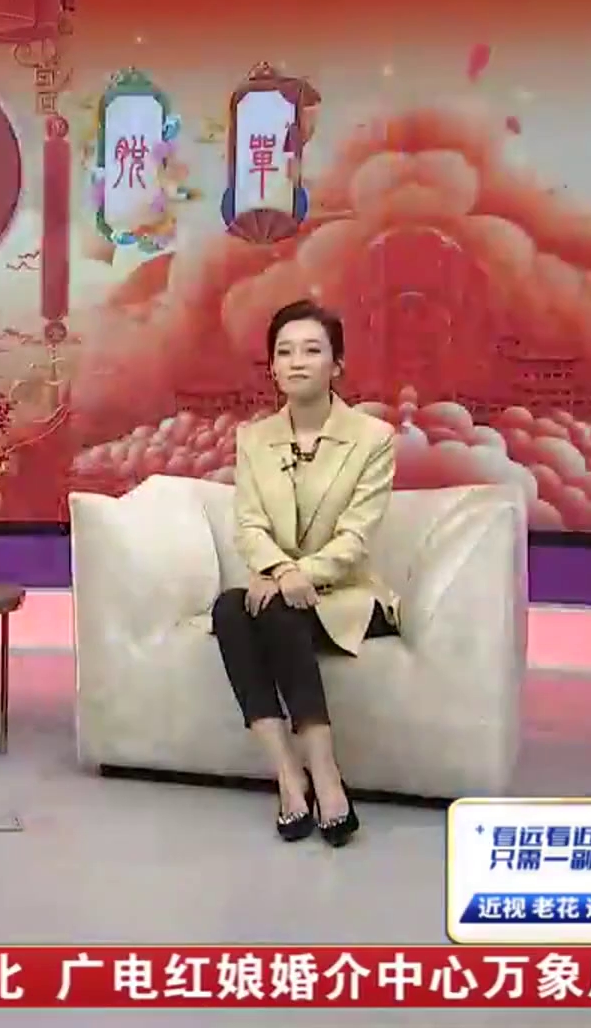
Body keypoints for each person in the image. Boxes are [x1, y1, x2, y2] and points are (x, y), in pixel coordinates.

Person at [215, 300, 398, 848]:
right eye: (284, 352)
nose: (296, 362)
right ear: (272, 366)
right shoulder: (253, 439)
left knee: (271, 609)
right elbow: (249, 525)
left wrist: (295, 575)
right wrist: (277, 569)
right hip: (280, 590)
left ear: (337, 364)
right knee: (230, 609)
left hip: (347, 598)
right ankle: (289, 775)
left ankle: (324, 771)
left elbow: (356, 538)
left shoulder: (374, 438)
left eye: (312, 350)